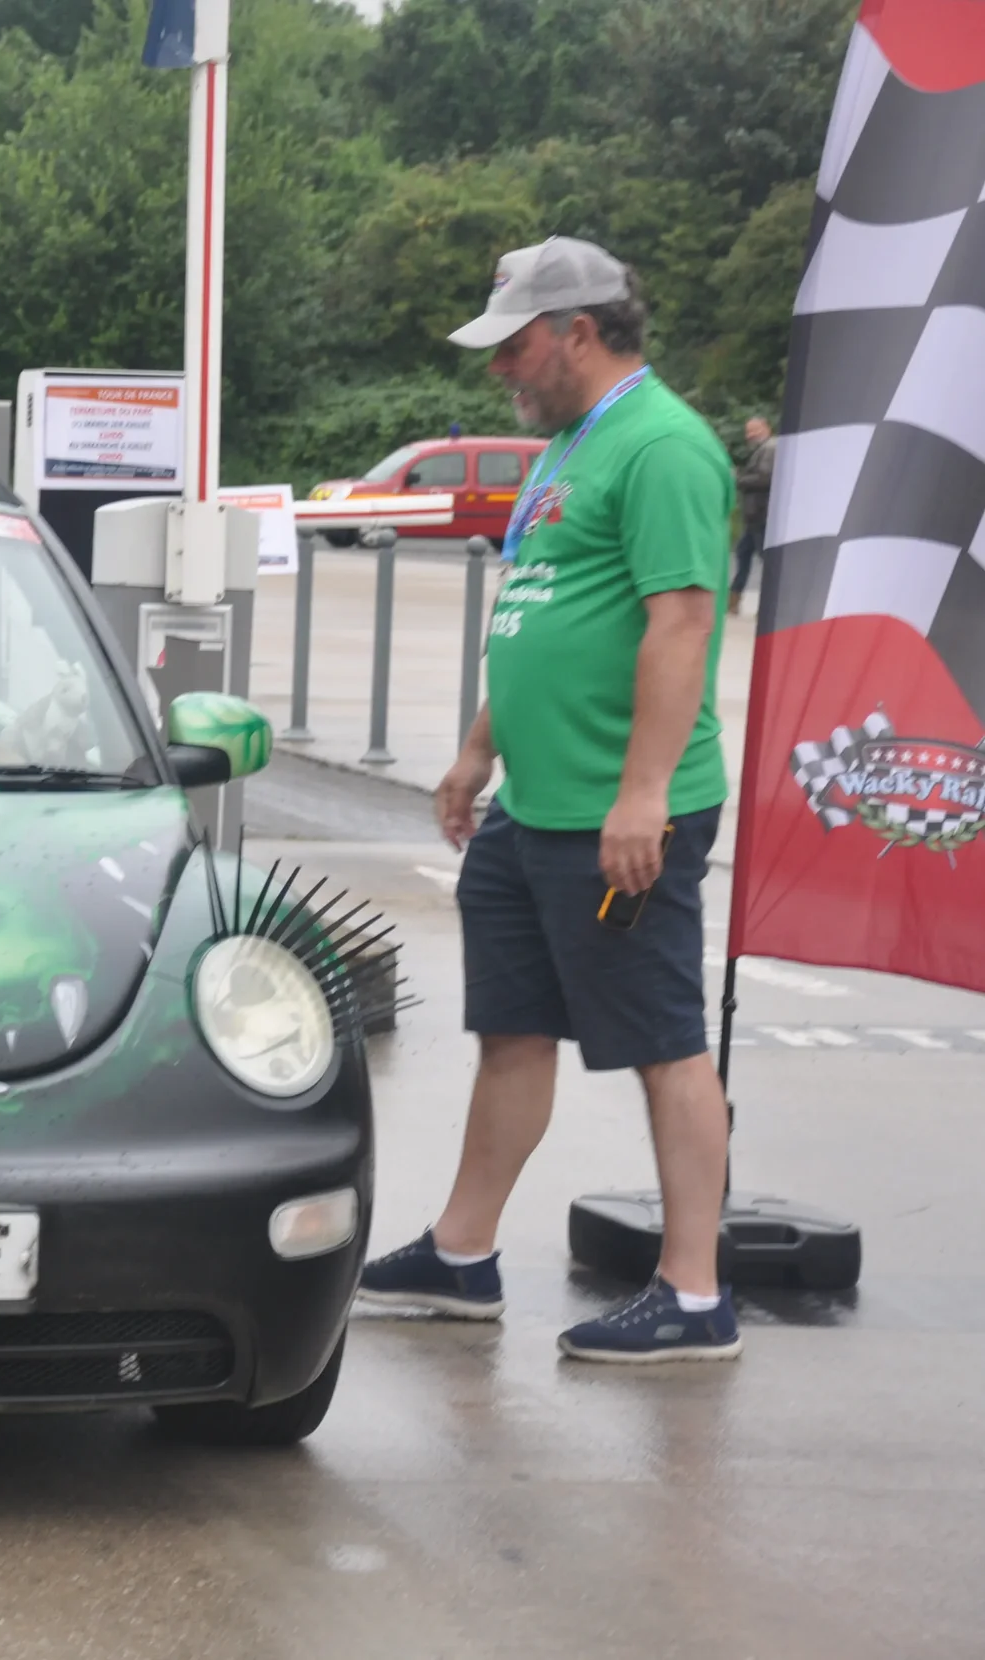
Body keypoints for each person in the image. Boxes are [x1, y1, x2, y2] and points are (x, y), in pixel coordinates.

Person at [356, 237, 742, 1363]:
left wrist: (643, 796)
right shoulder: (566, 448)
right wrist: (478, 750)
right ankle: (462, 1256)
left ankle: (693, 1290)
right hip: (533, 804)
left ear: (577, 330)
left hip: (615, 813)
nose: (501, 370)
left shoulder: (666, 447)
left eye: (515, 345)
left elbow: (680, 624)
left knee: (664, 1042)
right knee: (512, 1033)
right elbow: (533, 606)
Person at [730, 416, 775, 615]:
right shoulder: (764, 449)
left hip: (761, 513)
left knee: (766, 559)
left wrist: (738, 478)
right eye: (748, 431)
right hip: (754, 515)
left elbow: (765, 478)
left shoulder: (770, 448)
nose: (750, 435)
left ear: (766, 428)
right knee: (743, 554)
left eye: (754, 430)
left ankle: (769, 606)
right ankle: (733, 601)